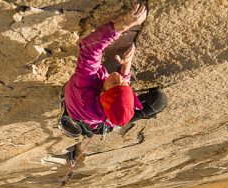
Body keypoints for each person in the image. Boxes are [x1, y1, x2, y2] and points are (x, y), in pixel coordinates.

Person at [60, 3, 167, 137]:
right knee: (160, 100)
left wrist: (125, 24)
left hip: (94, 122)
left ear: (101, 94)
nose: (118, 77)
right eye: (123, 84)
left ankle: (120, 122)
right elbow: (121, 88)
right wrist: (126, 65)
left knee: (157, 102)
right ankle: (122, 120)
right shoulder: (110, 95)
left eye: (115, 84)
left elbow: (88, 48)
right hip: (95, 115)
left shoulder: (84, 87)